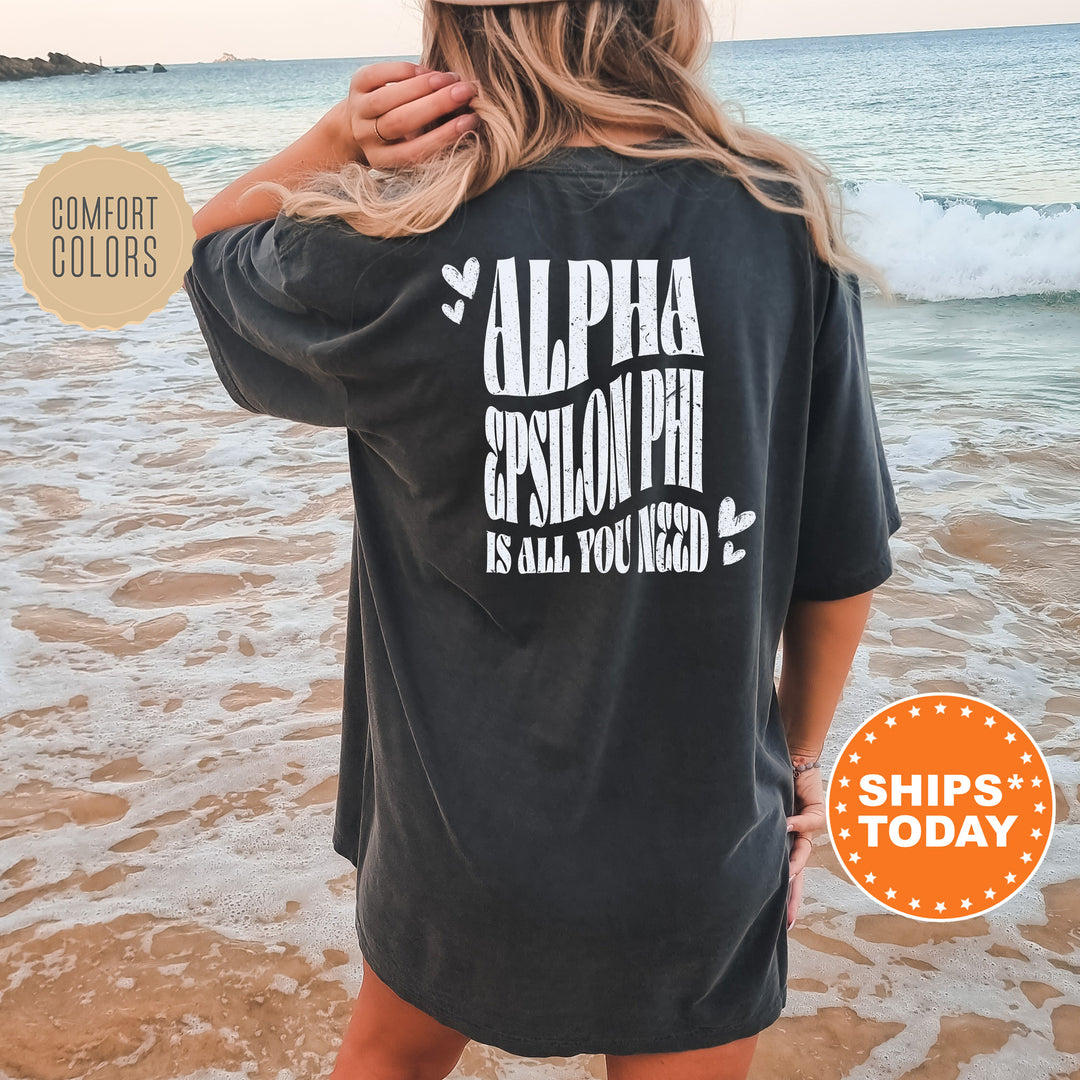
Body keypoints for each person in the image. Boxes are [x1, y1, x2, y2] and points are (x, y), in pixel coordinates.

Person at [182, 0, 903, 1077]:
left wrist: (339, 142)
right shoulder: (779, 219)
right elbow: (841, 561)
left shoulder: (393, 237)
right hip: (697, 835)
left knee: (387, 1058)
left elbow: (202, 253)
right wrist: (801, 764)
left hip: (455, 838)